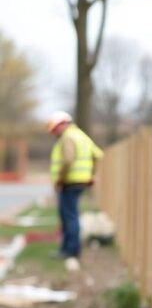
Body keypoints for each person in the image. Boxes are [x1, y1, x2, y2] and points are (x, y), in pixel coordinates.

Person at [47, 110, 103, 263]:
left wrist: (59, 180)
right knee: (71, 215)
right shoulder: (81, 135)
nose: (54, 133)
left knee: (69, 216)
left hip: (69, 182)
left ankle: (70, 250)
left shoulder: (68, 137)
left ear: (62, 124)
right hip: (80, 182)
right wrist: (91, 175)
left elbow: (67, 160)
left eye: (55, 129)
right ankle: (69, 248)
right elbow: (97, 155)